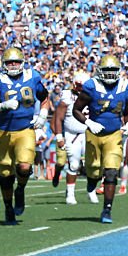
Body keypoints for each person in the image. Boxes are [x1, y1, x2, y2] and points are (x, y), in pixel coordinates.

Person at [0, 48, 51, 225]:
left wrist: (43, 114)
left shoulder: (32, 76)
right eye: (10, 62)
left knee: (25, 167)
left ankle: (20, 189)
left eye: (16, 62)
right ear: (3, 64)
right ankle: (8, 209)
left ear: (22, 63)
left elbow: (45, 97)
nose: (13, 65)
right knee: (5, 175)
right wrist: (2, 106)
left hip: (25, 130)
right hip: (4, 132)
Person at [71, 55, 128, 224]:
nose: (110, 74)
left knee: (112, 172)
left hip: (114, 134)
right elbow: (76, 110)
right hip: (93, 134)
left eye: (113, 71)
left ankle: (107, 209)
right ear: (100, 71)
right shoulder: (92, 86)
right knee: (93, 170)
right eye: (107, 71)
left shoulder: (125, 87)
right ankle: (91, 181)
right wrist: (88, 122)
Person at [52, 71, 90, 204]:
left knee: (93, 165)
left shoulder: (92, 95)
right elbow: (57, 119)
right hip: (69, 134)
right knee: (69, 164)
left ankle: (91, 190)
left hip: (87, 133)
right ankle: (69, 193)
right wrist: (59, 137)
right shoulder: (67, 95)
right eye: (80, 87)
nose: (82, 90)